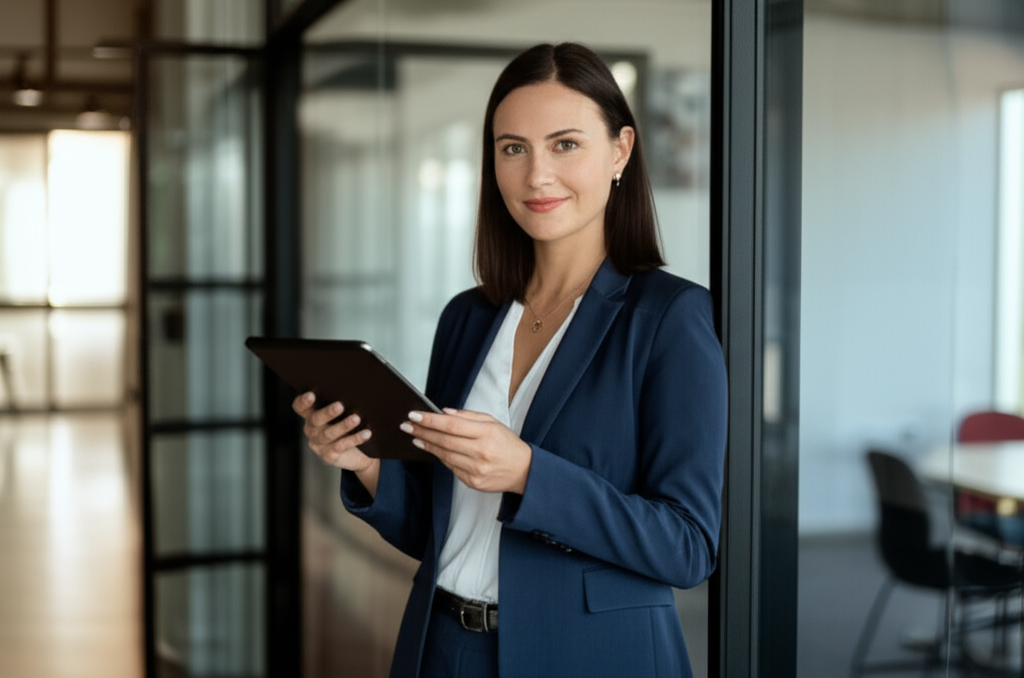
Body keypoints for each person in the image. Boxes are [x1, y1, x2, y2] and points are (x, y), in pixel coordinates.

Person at [293, 42, 727, 678]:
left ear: (621, 151)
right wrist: (365, 464)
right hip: (442, 646)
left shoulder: (670, 318)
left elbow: (688, 547)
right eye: (512, 148)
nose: (536, 176)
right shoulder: (469, 317)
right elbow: (437, 529)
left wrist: (529, 474)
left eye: (565, 145)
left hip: (590, 658)